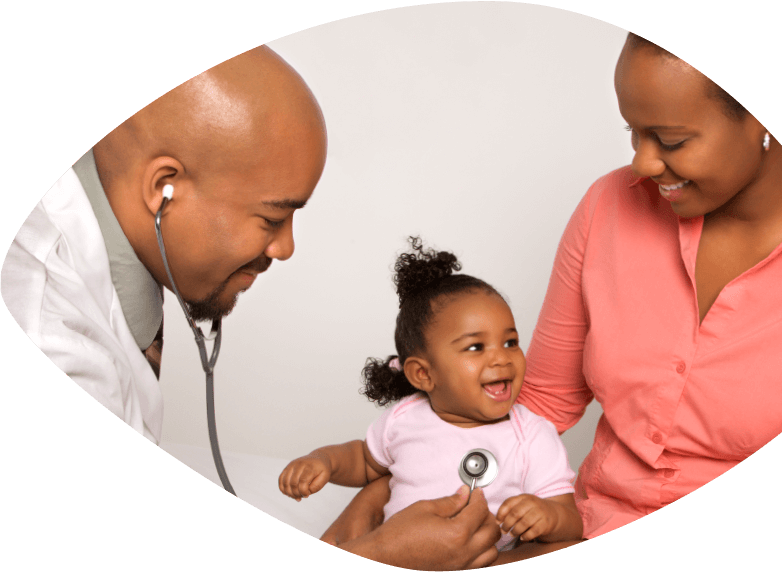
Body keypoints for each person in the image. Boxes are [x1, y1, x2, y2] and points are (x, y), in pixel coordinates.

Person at [317, 32, 782, 554]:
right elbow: (537, 404)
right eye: (633, 132)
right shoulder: (611, 206)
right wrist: (394, 487)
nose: (643, 163)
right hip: (584, 525)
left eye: (671, 140)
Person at [0, 46, 502, 570]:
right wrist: (382, 558)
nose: (285, 248)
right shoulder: (48, 332)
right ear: (162, 189)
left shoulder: (116, 248)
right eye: (270, 218)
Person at [279, 237, 583, 555]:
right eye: (476, 347)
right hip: (404, 553)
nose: (501, 358)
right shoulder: (405, 419)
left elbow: (570, 523)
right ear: (424, 374)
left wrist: (548, 516)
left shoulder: (532, 436)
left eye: (510, 342)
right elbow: (365, 461)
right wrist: (324, 461)